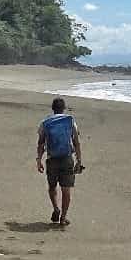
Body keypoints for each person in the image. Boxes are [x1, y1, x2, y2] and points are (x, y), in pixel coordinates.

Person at [35, 97, 83, 226]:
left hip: (52, 159)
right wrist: (79, 160)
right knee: (66, 190)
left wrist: (39, 160)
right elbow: (76, 142)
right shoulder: (70, 120)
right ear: (64, 108)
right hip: (67, 158)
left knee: (52, 187)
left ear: (53, 109)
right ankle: (63, 217)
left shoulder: (45, 122)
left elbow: (41, 143)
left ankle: (56, 208)